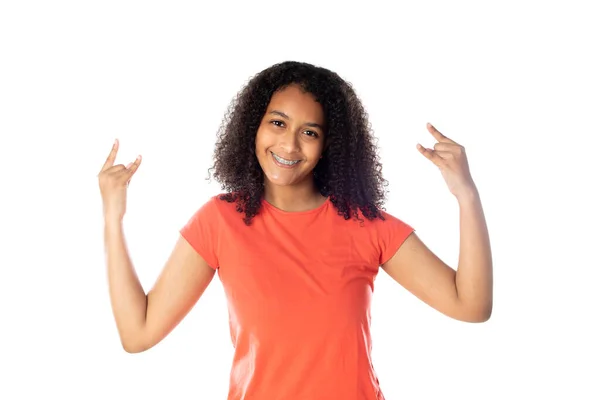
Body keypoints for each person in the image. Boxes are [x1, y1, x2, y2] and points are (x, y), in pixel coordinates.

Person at [98, 61, 493, 400]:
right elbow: (139, 333)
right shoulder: (220, 220)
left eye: (309, 132)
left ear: (328, 145)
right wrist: (113, 219)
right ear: (254, 126)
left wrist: (466, 196)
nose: (288, 144)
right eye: (277, 123)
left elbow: (471, 306)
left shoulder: (365, 224)